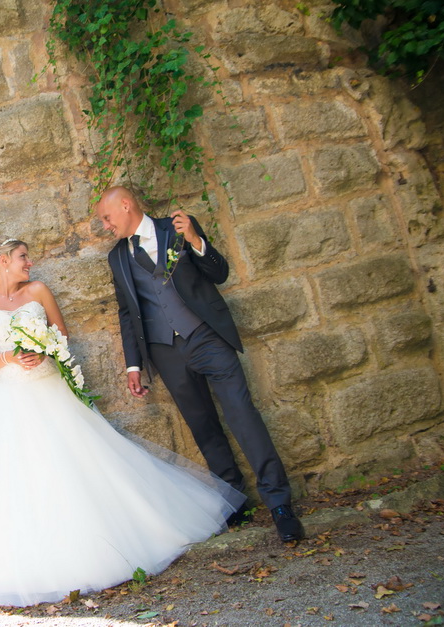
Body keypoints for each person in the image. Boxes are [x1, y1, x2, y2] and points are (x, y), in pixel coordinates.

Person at [0, 239, 245, 607]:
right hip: (8, 398)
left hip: (51, 389)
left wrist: (45, 348)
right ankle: (41, 564)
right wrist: (10, 356)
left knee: (79, 466)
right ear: (4, 261)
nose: (29, 263)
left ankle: (114, 545)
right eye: (23, 257)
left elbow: (61, 334)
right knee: (23, 479)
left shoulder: (38, 290)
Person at [94, 185, 305, 544]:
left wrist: (194, 239)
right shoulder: (117, 258)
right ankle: (234, 501)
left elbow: (218, 272)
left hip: (207, 338)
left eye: (106, 218)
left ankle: (279, 504)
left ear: (126, 206)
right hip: (165, 352)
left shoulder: (178, 227)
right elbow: (128, 314)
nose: (105, 226)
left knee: (243, 415)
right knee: (203, 427)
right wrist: (134, 365)